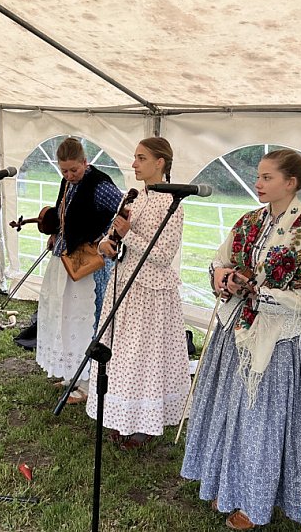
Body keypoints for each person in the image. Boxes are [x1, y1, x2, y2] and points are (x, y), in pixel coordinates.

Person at [180, 149, 301, 529]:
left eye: (266, 177)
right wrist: (221, 276)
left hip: (279, 341)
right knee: (230, 412)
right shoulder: (249, 221)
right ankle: (228, 483)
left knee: (260, 421)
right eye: (258, 176)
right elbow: (220, 259)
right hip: (237, 333)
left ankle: (255, 499)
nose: (258, 183)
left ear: (290, 183)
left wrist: (260, 294)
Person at [86, 137, 190, 449]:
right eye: (134, 157)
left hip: (152, 293)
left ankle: (144, 422)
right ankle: (123, 416)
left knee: (144, 359)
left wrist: (129, 235)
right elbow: (119, 244)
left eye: (141, 158)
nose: (134, 164)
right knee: (122, 357)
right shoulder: (135, 200)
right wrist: (108, 244)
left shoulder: (172, 205)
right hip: (124, 287)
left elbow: (163, 255)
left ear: (160, 163)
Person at [36, 137, 123, 404]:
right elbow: (65, 212)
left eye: (74, 169)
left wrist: (105, 237)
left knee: (85, 320)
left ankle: (86, 383)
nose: (69, 175)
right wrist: (57, 233)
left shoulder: (100, 185)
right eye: (64, 170)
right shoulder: (67, 182)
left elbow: (123, 211)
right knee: (62, 316)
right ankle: (70, 372)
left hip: (88, 263)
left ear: (86, 162)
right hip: (65, 256)